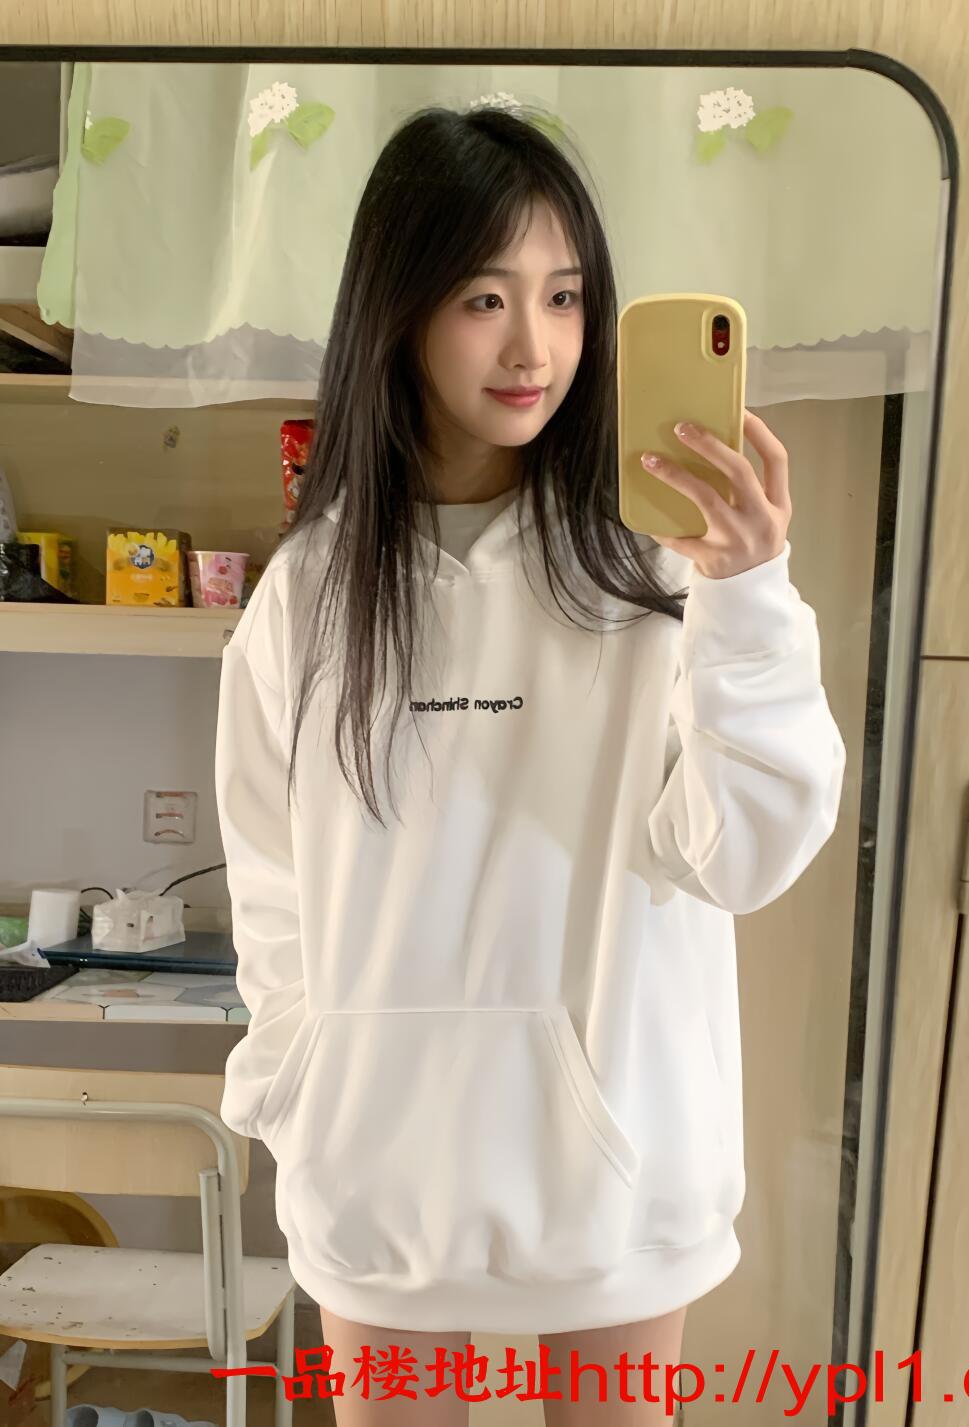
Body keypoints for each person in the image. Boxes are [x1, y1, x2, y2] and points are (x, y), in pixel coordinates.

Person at [214, 103, 846, 1425]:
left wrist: (749, 595)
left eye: (564, 298)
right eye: (484, 299)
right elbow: (271, 886)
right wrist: (299, 1088)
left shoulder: (656, 569)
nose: (533, 348)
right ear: (399, 313)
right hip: (380, 1190)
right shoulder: (309, 593)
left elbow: (745, 854)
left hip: (618, 1190)